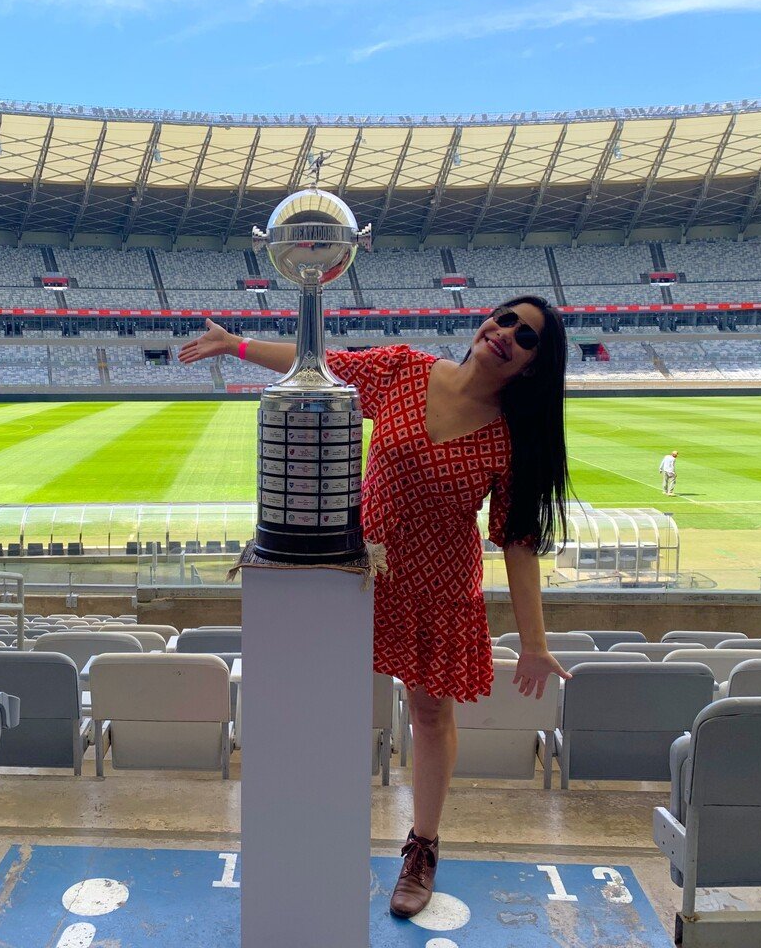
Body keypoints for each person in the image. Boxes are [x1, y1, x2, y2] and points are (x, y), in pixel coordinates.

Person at [178, 296, 572, 918]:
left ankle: (423, 846)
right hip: (360, 572)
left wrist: (534, 641)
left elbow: (519, 545)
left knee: (429, 711)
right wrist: (236, 347)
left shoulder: (510, 438)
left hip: (441, 589)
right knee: (332, 699)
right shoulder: (402, 370)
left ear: (532, 367)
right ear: (483, 322)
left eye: (527, 338)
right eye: (505, 319)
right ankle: (315, 824)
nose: (507, 335)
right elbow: (320, 366)